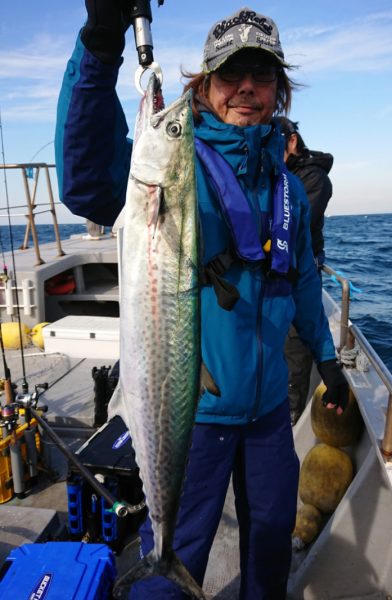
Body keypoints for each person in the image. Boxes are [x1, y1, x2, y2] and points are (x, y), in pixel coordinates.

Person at [55, 4, 349, 599]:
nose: (246, 87)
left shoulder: (288, 185)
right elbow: (86, 179)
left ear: (278, 90)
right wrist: (100, 44)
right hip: (189, 414)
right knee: (176, 546)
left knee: (269, 541)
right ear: (205, 86)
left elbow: (301, 281)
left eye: (260, 75)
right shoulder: (173, 164)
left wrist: (326, 358)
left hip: (269, 412)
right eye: (229, 74)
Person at [275, 117, 334, 425]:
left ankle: (291, 418)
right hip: (272, 275)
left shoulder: (314, 180)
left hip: (301, 272)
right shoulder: (276, 174)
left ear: (292, 142)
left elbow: (297, 226)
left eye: (275, 142)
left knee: (295, 346)